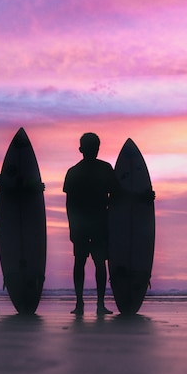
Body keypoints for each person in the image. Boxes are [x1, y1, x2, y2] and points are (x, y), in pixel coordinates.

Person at [63, 133, 122, 315]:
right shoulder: (104, 169)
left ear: (81, 149)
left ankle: (81, 304)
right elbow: (117, 196)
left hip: (84, 225)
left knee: (81, 262)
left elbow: (69, 204)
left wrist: (72, 227)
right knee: (98, 263)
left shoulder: (73, 172)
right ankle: (99, 304)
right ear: (96, 148)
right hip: (98, 223)